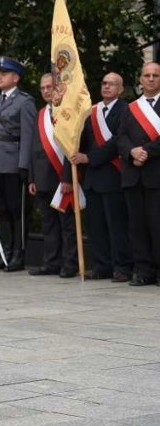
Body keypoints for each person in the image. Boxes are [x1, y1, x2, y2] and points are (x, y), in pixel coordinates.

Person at [70, 73, 132, 282]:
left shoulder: (126, 110)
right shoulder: (92, 111)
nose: (106, 87)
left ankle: (122, 267)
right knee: (95, 225)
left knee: (116, 226)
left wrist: (89, 157)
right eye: (104, 83)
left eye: (112, 84)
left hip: (113, 175)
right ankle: (101, 265)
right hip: (93, 178)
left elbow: (117, 142)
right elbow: (84, 138)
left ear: (121, 89)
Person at [0, 56, 36, 272]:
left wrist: (23, 165)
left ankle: (18, 255)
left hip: (13, 162)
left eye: (4, 73)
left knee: (16, 211)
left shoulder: (25, 101)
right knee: (0, 211)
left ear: (16, 77)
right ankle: (4, 253)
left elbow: (28, 135)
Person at [27, 73, 77, 278]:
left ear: (59, 88)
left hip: (60, 177)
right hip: (41, 177)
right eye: (43, 88)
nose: (46, 91)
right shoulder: (40, 114)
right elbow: (33, 147)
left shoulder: (68, 112)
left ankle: (69, 263)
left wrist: (67, 178)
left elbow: (71, 148)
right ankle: (51, 262)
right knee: (48, 224)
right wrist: (31, 178)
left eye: (50, 87)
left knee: (66, 225)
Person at [116, 61, 160, 287]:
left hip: (156, 174)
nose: (151, 79)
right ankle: (143, 271)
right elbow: (120, 137)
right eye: (147, 75)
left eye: (155, 75)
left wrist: (147, 152)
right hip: (133, 175)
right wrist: (131, 151)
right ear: (141, 79)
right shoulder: (130, 108)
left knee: (157, 225)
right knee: (137, 226)